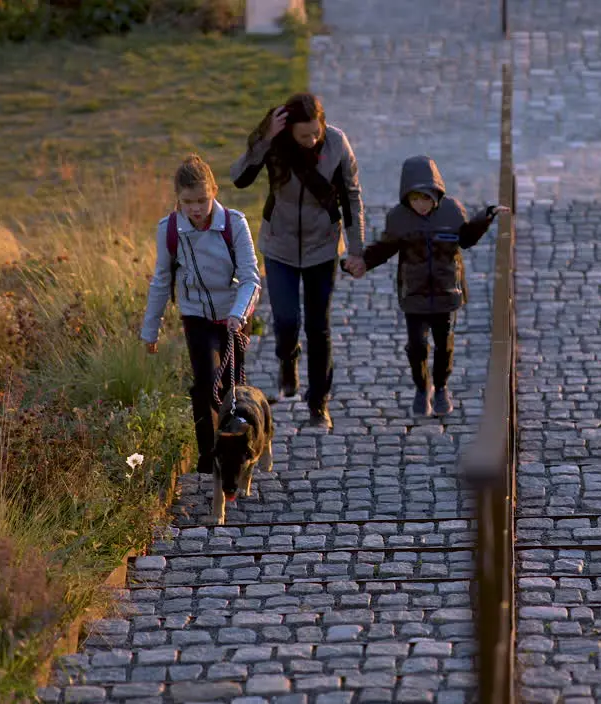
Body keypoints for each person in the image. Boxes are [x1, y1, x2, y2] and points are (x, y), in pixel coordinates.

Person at [230, 93, 365, 430]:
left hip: (323, 247)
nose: (311, 140)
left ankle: (319, 403)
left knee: (318, 327)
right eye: (303, 135)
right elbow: (239, 178)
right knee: (286, 319)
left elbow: (352, 196)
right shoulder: (275, 145)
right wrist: (264, 139)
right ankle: (287, 359)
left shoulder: (337, 144)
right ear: (289, 130)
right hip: (280, 247)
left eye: (315, 133)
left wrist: (357, 248)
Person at [345, 155, 509, 417]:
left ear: (436, 195)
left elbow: (466, 239)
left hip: (447, 292)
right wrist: (361, 262)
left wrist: (485, 218)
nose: (420, 205)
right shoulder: (398, 218)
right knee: (417, 346)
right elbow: (385, 249)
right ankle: (422, 388)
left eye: (425, 199)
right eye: (415, 199)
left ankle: (441, 386)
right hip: (414, 295)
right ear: (406, 198)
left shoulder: (452, 211)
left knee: (444, 346)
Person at [141, 154, 261, 475]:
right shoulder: (169, 230)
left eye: (202, 200)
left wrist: (238, 313)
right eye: (188, 201)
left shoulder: (235, 223)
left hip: (233, 314)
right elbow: (161, 280)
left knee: (231, 390)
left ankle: (238, 451)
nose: (196, 208)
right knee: (205, 384)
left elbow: (251, 277)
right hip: (195, 316)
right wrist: (149, 331)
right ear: (177, 199)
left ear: (214, 192)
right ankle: (208, 456)